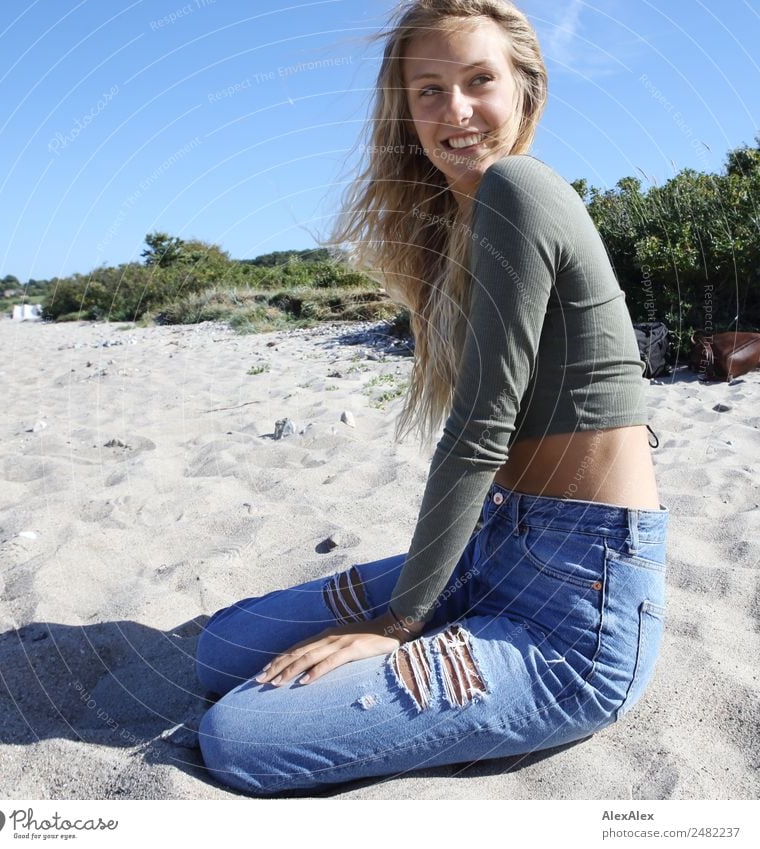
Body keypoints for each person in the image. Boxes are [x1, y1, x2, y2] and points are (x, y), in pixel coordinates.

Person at [195, 0, 668, 797]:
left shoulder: (521, 187)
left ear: (526, 90)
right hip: (492, 546)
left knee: (241, 734)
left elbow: (480, 430)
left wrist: (398, 624)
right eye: (429, 90)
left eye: (479, 81)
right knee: (219, 650)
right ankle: (437, 622)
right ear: (404, 109)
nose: (456, 111)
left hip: (574, 610)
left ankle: (433, 633)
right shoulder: (463, 218)